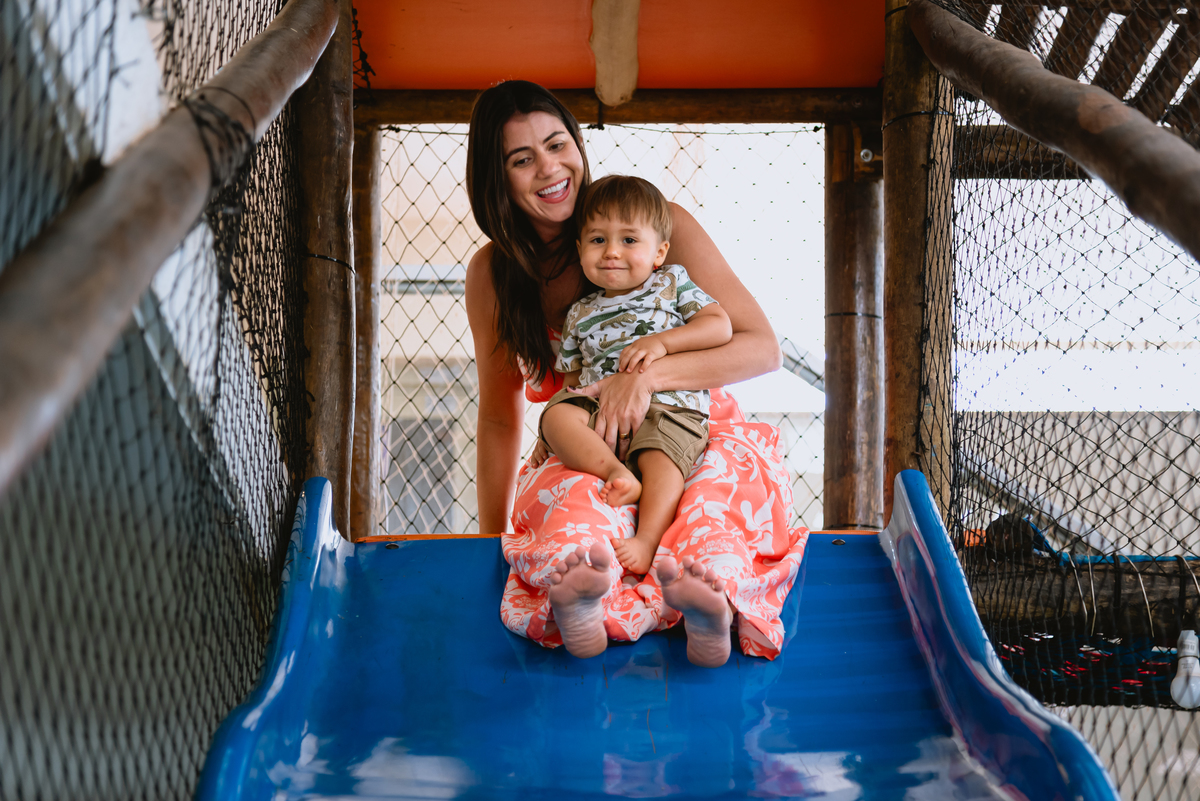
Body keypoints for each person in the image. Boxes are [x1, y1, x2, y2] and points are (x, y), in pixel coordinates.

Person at [465, 80, 808, 667]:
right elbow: (500, 416)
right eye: (522, 159)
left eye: (557, 145)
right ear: (497, 179)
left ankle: (709, 604)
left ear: (577, 145)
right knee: (574, 507)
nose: (549, 168)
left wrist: (646, 377)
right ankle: (584, 604)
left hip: (692, 428)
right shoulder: (493, 274)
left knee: (710, 505)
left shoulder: (651, 224)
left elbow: (760, 348)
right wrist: (487, 543)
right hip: (593, 446)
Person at [539, 174, 732, 576]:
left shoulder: (672, 283)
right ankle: (617, 473)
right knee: (555, 415)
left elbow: (719, 326)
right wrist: (550, 434)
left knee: (661, 457)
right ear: (580, 249)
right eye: (597, 240)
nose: (612, 251)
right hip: (601, 411)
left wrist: (663, 343)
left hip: (669, 406)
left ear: (659, 252)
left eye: (629, 240)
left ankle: (647, 539)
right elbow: (573, 381)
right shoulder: (579, 312)